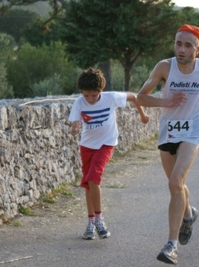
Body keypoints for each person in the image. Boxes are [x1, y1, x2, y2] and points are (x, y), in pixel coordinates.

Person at [136, 24, 199, 265]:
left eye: (188, 45)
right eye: (178, 43)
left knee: (174, 181)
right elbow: (140, 97)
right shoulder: (164, 67)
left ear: (197, 50)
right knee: (177, 185)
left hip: (193, 129)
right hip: (169, 130)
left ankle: (171, 245)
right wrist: (165, 102)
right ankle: (189, 213)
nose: (181, 49)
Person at [69, 68, 149, 240]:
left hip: (106, 144)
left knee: (93, 178)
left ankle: (99, 220)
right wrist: (75, 126)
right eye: (86, 95)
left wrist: (142, 114)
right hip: (87, 146)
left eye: (93, 95)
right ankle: (90, 224)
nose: (90, 99)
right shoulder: (79, 102)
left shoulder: (111, 97)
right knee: (87, 183)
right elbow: (76, 120)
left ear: (101, 91)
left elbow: (134, 97)